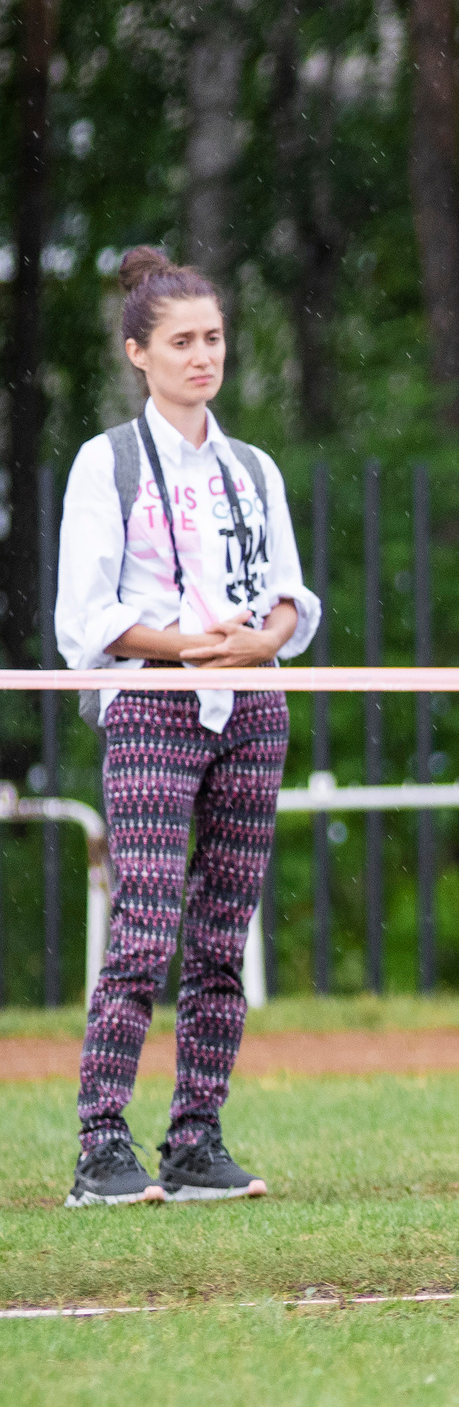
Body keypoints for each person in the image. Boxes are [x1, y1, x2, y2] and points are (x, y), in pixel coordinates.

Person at [55, 248, 322, 1208]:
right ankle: (100, 1146)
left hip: (253, 707)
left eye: (212, 338)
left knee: (222, 934)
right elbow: (85, 624)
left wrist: (264, 644)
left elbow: (295, 598)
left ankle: (197, 1139)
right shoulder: (107, 463)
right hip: (155, 706)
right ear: (140, 353)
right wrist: (182, 648)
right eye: (181, 342)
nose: (202, 356)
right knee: (144, 921)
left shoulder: (254, 468)